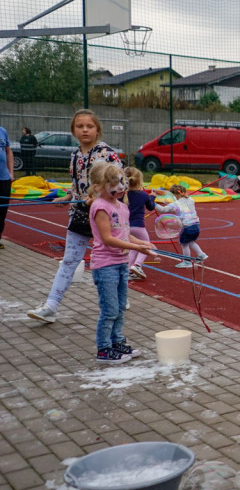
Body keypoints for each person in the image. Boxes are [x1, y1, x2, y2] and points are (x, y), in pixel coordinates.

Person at [28, 110, 124, 324]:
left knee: (112, 262)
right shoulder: (74, 155)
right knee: (69, 261)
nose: (84, 130)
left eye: (89, 126)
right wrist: (68, 196)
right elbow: (76, 183)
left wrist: (98, 198)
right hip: (80, 215)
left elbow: (121, 184)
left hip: (105, 217)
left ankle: (119, 298)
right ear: (73, 130)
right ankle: (51, 305)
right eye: (80, 126)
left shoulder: (108, 154)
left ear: (97, 129)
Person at [87, 162, 155, 363]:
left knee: (119, 309)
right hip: (105, 264)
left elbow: (124, 234)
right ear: (99, 186)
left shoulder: (123, 207)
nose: (119, 187)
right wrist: (137, 248)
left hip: (122, 263)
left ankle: (116, 341)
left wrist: (142, 242)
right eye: (113, 183)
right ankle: (104, 349)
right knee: (109, 310)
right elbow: (107, 238)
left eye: (121, 182)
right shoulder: (100, 207)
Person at [155, 184, 207, 268]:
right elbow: (184, 206)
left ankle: (187, 262)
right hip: (196, 225)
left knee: (184, 244)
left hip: (187, 227)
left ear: (175, 194)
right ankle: (201, 254)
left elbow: (162, 209)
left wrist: (153, 204)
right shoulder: (191, 199)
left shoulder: (175, 204)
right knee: (191, 241)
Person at [124, 167, 156, 278]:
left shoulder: (123, 195)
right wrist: (152, 197)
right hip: (139, 226)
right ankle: (137, 265)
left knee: (133, 247)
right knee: (146, 245)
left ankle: (128, 270)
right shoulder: (143, 195)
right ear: (139, 181)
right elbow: (151, 207)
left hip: (126, 226)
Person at [0, 124, 12, 250]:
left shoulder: (3, 131)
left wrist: (11, 173)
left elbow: (9, 152)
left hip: (4, 179)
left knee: (2, 211)